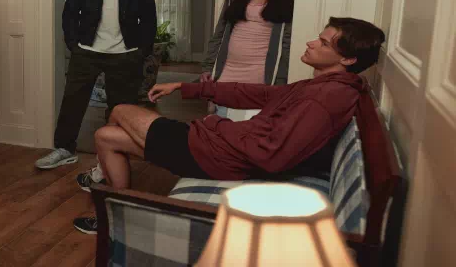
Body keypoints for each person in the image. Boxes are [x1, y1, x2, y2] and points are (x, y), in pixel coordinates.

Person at [72, 17, 386, 234]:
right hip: (212, 146)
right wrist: (185, 86)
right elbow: (255, 93)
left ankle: (98, 180)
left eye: (323, 43)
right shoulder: (324, 87)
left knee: (120, 110)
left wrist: (219, 128)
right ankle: (115, 214)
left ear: (347, 60)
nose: (311, 42)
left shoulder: (323, 99)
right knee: (106, 136)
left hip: (211, 154)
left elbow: (272, 156)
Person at [34, 0, 157, 170]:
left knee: (120, 109)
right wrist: (74, 45)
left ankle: (110, 157)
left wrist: (141, 51)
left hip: (125, 52)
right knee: (72, 103)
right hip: (87, 51)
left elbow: (148, 16)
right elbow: (70, 12)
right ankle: (64, 149)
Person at [200, 0, 295, 111]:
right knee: (220, 116)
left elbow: (288, 42)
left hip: (261, 71)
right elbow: (220, 33)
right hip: (227, 68)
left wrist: (280, 79)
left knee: (251, 120)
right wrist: (208, 66)